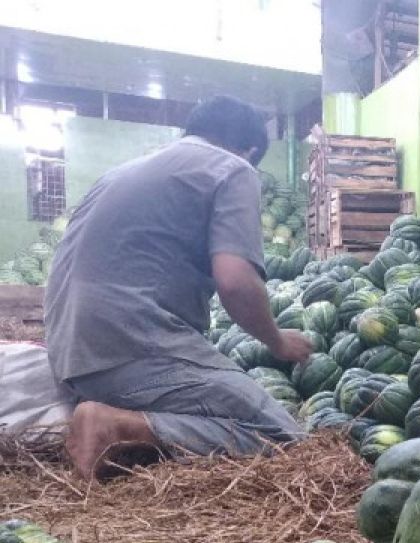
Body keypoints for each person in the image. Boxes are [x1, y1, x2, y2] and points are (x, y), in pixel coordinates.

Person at [44, 95, 313, 479]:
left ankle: (124, 421)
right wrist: (277, 341)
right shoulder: (233, 169)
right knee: (284, 435)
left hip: (70, 357)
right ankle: (116, 425)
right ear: (249, 150)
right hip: (130, 348)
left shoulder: (118, 173)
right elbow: (235, 281)